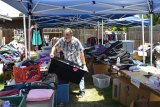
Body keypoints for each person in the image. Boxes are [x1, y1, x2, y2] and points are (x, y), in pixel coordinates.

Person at [50, 28, 88, 98]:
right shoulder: (62, 40)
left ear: (71, 35)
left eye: (67, 37)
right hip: (67, 62)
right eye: (64, 36)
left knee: (80, 77)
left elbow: (81, 53)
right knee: (65, 76)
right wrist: (52, 52)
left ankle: (82, 91)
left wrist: (84, 65)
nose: (65, 38)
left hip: (76, 63)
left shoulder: (76, 41)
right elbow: (54, 46)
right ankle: (65, 89)